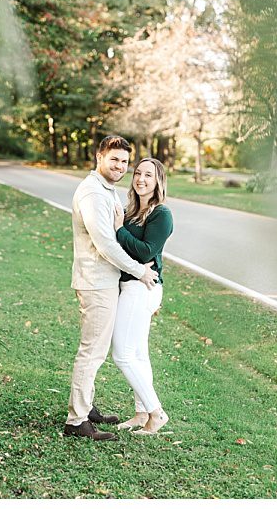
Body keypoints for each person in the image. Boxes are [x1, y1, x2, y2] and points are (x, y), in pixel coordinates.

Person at [65, 135, 159, 442]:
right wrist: (139, 271)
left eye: (124, 161)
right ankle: (77, 421)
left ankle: (86, 406)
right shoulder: (93, 193)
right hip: (96, 282)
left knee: (98, 349)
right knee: (92, 351)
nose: (119, 166)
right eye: (114, 159)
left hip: (105, 281)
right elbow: (105, 244)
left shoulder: (107, 190)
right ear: (99, 157)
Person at [110, 157, 174, 435]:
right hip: (130, 285)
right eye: (138, 173)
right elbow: (124, 250)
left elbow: (146, 252)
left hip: (142, 287)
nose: (141, 179)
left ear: (158, 181)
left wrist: (119, 231)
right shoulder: (130, 210)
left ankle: (156, 413)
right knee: (138, 354)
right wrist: (122, 231)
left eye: (148, 175)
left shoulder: (161, 214)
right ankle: (140, 414)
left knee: (122, 355)